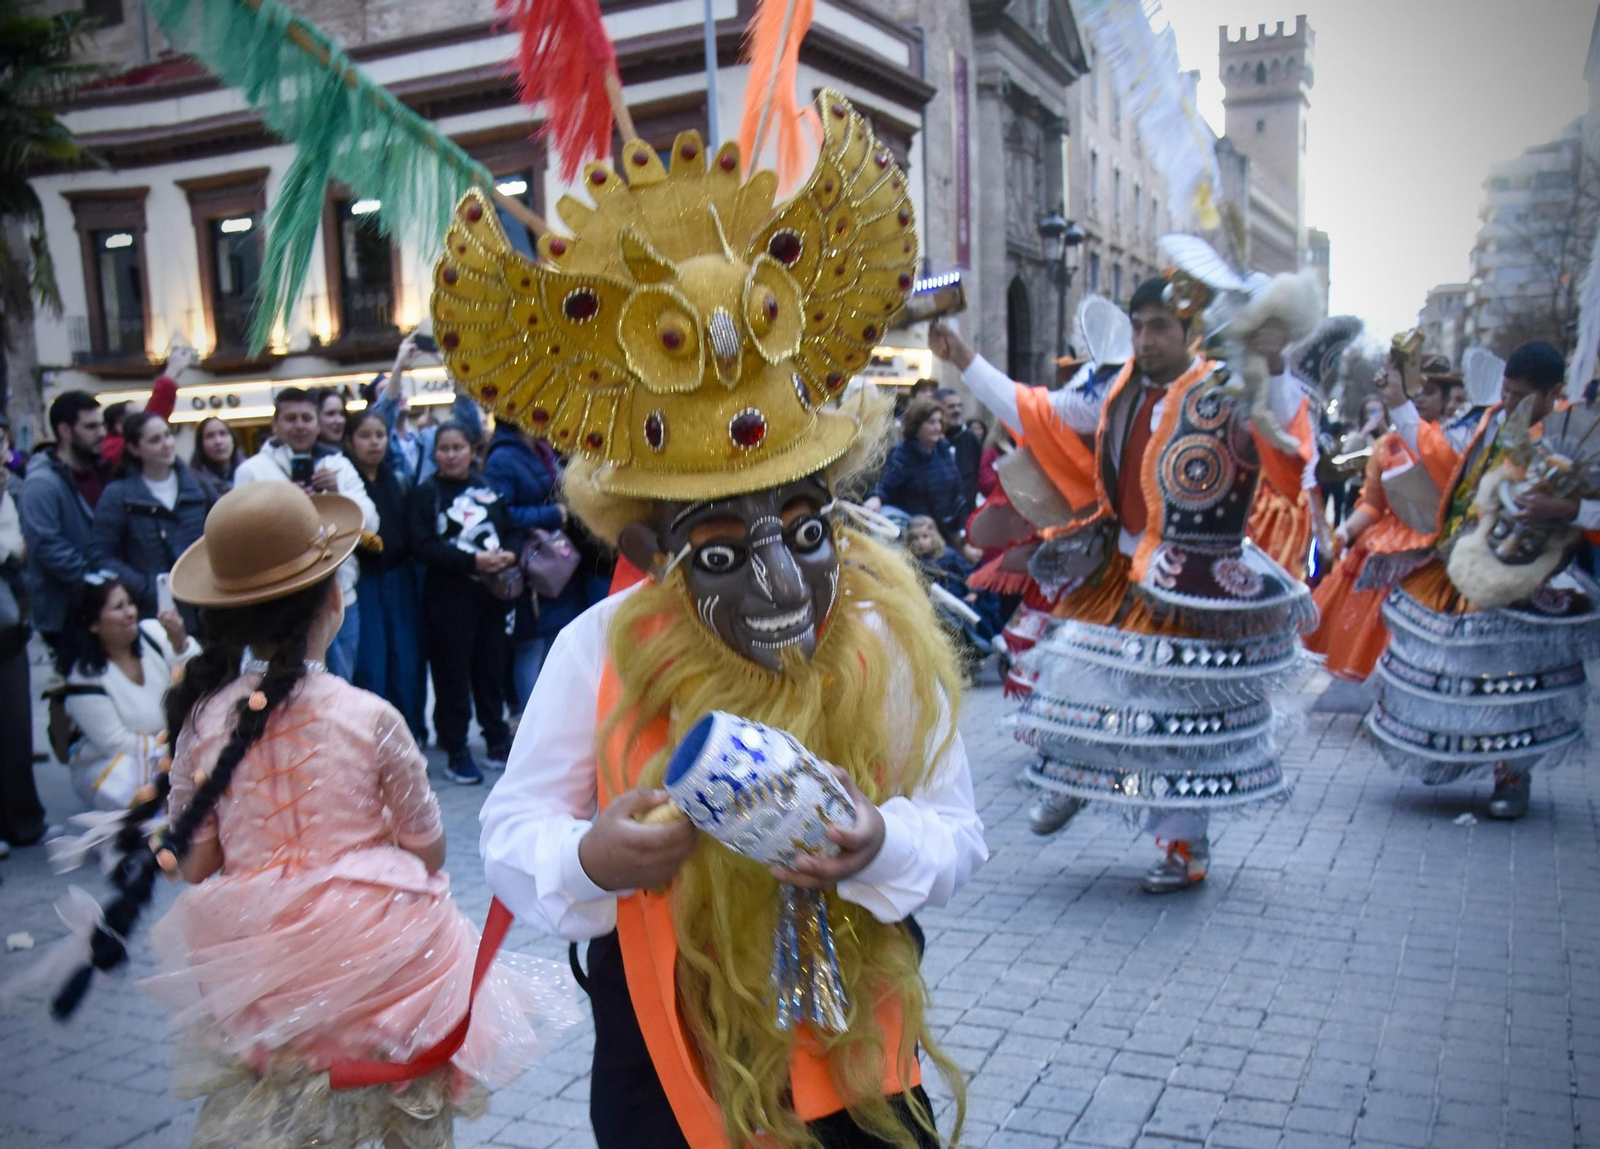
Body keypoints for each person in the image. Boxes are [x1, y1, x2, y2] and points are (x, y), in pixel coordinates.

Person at [463, 95, 984, 1149]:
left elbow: (958, 830)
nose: (783, 582)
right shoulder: (593, 651)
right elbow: (509, 833)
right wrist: (592, 862)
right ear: (653, 553)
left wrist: (878, 839)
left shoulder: (877, 639)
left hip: (860, 1065)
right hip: (667, 1061)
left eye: (804, 525)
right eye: (718, 551)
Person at [33, 482, 565, 1146]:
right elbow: (426, 850)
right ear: (334, 601)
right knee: (407, 1115)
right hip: (385, 966)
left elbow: (195, 861)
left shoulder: (202, 719)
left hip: (262, 973)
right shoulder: (371, 715)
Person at [931, 259, 1319, 892]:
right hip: (1120, 570)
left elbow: (1282, 435)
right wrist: (966, 358)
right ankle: (1074, 775)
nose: (1144, 339)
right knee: (1076, 681)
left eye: (1159, 327)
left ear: (1188, 328)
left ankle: (1184, 846)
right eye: (1139, 326)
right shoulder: (1115, 391)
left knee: (1179, 721)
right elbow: (1037, 410)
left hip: (1194, 584)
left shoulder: (1224, 389)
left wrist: (1271, 364)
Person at [1365, 339, 1600, 820]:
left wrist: (1567, 509)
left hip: (1534, 573)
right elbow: (1449, 466)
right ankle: (1452, 758)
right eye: (1507, 391)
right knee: (1459, 672)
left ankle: (1512, 775)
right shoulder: (1493, 420)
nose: (1508, 402)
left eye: (1520, 395)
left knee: (1519, 679)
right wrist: (1400, 407)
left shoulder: (1575, 430)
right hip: (1469, 562)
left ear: (1553, 392)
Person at [1304, 333, 1452, 681]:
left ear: (1446, 398)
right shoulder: (1386, 446)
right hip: (1387, 549)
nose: (1421, 398)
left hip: (1438, 550)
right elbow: (1372, 505)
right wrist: (1341, 532)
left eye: (1430, 392)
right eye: (1417, 391)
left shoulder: (1452, 443)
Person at [233, 388, 377, 680]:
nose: (300, 425)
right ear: (275, 424)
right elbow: (243, 537)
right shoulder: (252, 471)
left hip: (340, 598)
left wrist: (337, 496)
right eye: (291, 418)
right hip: (280, 603)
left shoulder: (338, 464)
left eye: (307, 418)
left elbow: (372, 523)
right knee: (286, 691)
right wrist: (288, 505)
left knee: (339, 689)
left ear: (317, 423)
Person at [409, 423, 520, 784]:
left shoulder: (488, 488)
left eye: (458, 447)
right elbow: (422, 547)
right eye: (444, 448)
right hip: (447, 601)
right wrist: (472, 562)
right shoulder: (425, 494)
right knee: (451, 677)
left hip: (493, 599)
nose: (452, 454)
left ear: (472, 451)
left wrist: (510, 556)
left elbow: (512, 529)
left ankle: (496, 740)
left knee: (491, 673)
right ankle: (457, 750)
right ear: (435, 453)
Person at [55, 574, 196, 809]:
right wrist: (176, 750)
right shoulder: (84, 674)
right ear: (93, 624)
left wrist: (181, 643)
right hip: (116, 762)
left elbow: (200, 681)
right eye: (118, 608)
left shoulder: (153, 632)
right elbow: (116, 742)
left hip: (171, 749)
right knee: (129, 780)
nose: (130, 612)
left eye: (129, 603)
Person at [482, 420, 578, 710]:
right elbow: (502, 514)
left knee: (551, 648)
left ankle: (551, 720)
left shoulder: (539, 448)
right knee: (531, 649)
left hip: (552, 565)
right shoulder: (502, 457)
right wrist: (553, 513)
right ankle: (532, 727)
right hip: (529, 568)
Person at [344, 408, 426, 742]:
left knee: (406, 660)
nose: (374, 442)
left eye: (379, 435)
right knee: (372, 662)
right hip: (366, 578)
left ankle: (410, 731)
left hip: (400, 577)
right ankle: (374, 737)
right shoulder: (346, 481)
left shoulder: (398, 477)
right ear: (350, 442)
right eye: (365, 436)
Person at [91, 412, 211, 625]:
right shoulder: (118, 495)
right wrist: (144, 587)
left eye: (168, 435)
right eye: (155, 440)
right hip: (155, 613)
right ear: (134, 449)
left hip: (207, 605)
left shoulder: (198, 485)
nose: (166, 444)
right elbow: (100, 554)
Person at [18, 390, 108, 655]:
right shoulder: (42, 484)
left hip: (100, 610)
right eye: (91, 426)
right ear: (65, 431)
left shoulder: (99, 472)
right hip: (66, 616)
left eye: (101, 424)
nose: (102, 433)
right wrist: (96, 581)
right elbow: (46, 545)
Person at [369, 333, 485, 485]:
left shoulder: (427, 438)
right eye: (384, 392)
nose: (399, 395)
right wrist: (398, 369)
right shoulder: (379, 443)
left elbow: (469, 429)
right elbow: (379, 421)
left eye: (401, 389)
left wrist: (456, 371)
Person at [0, 476, 45, 852]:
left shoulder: (9, 493)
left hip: (9, 626)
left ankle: (19, 818)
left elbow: (19, 550)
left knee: (14, 724)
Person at [866, 397, 966, 544]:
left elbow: (956, 488)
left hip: (947, 529)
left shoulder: (943, 450)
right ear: (917, 426)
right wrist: (876, 497)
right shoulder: (902, 453)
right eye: (931, 422)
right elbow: (887, 484)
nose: (938, 427)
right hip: (919, 534)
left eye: (939, 421)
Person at [101, 346, 193, 468]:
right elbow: (155, 414)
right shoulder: (113, 449)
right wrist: (171, 372)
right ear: (120, 426)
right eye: (138, 418)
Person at [936, 388, 982, 522]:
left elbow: (976, 473)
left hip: (966, 510)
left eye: (959, 406)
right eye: (951, 407)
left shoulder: (969, 438)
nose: (957, 411)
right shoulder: (932, 439)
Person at [189, 416, 244, 502]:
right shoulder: (193, 484)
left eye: (223, 433)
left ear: (233, 439)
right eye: (210, 436)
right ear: (201, 444)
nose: (218, 441)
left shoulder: (249, 472)